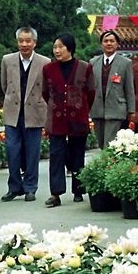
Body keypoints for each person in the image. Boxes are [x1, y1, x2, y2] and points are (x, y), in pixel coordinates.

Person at [42, 33, 95, 207]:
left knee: (77, 154)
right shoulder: (48, 69)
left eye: (60, 47)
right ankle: (55, 194)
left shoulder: (85, 67)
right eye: (55, 47)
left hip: (77, 117)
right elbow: (45, 93)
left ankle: (78, 190)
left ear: (70, 49)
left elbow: (91, 92)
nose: (57, 50)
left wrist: (79, 107)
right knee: (56, 155)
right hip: (56, 118)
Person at [0, 26, 49, 202]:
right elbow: (4, 85)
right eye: (21, 40)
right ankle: (14, 187)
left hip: (34, 112)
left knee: (32, 152)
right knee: (11, 150)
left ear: (35, 42)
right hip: (13, 112)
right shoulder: (7, 60)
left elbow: (46, 89)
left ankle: (30, 187)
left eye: (28, 41)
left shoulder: (44, 62)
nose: (24, 44)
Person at [89, 30, 134, 149]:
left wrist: (131, 110)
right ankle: (106, 164)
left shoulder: (125, 63)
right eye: (106, 41)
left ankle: (107, 165)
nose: (109, 43)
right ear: (101, 44)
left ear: (117, 44)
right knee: (101, 143)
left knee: (109, 143)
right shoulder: (93, 62)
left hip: (116, 108)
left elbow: (129, 88)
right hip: (97, 108)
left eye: (112, 41)